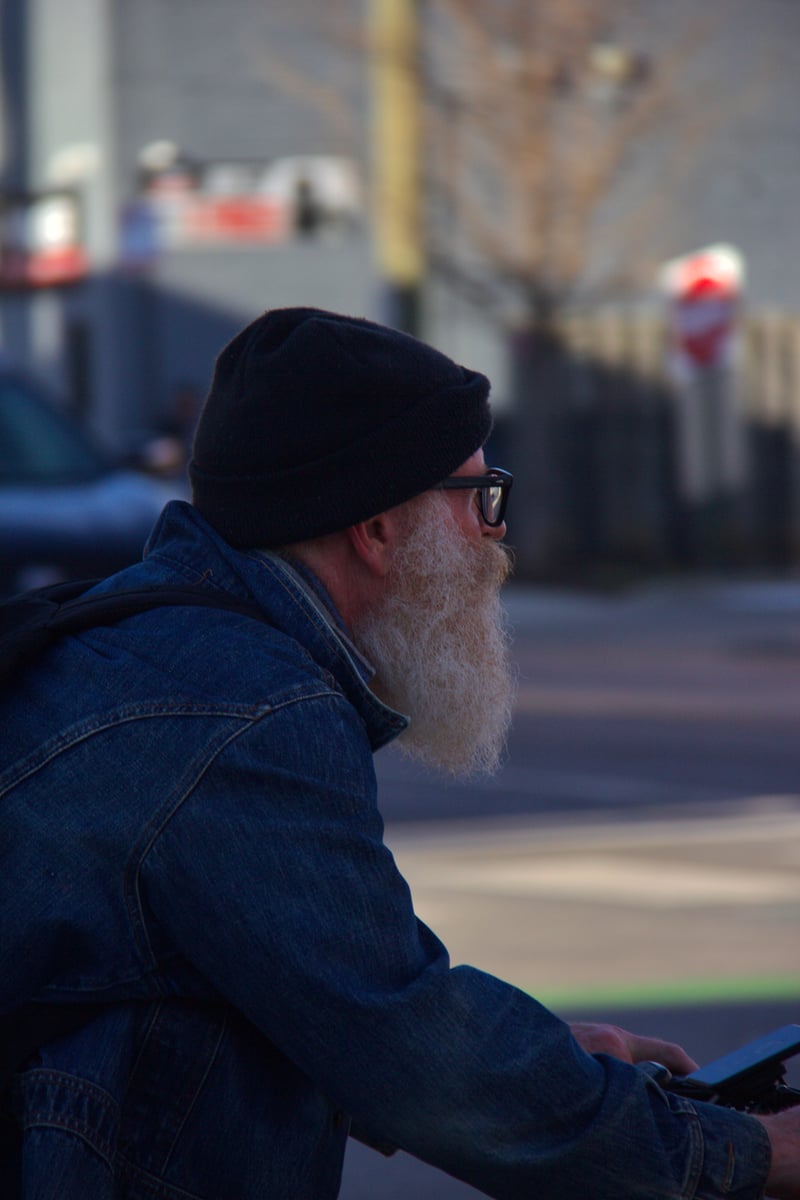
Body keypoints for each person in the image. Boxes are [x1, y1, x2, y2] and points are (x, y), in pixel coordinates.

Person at [0, 306, 797, 1199]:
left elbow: (327, 986)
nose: (496, 537)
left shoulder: (171, 643)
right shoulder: (247, 712)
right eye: (476, 497)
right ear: (375, 530)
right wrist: (750, 1155)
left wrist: (552, 1062)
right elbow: (404, 1037)